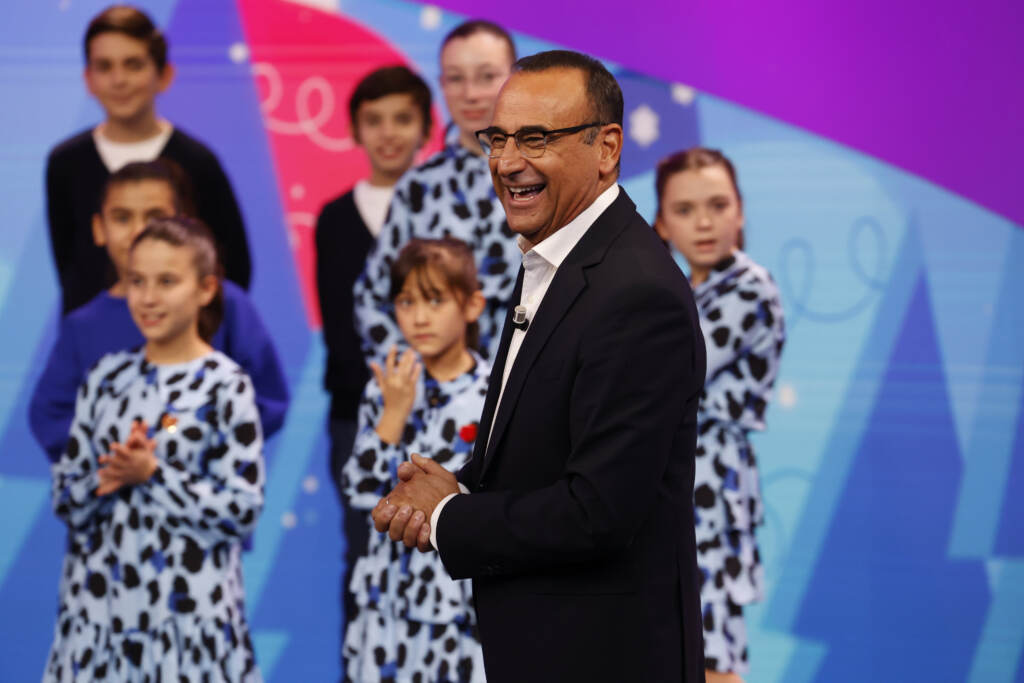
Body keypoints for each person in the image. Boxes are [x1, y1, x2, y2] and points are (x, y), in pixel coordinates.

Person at [372, 50, 707, 682]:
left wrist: (448, 516)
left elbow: (597, 512)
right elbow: (540, 455)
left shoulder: (636, 292)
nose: (506, 162)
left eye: (535, 139)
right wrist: (458, 486)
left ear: (607, 147)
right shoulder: (556, 260)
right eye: (498, 139)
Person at [44, 216, 263, 681]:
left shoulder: (227, 386)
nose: (147, 298)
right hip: (98, 618)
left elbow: (242, 510)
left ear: (205, 289)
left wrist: (153, 474)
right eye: (136, 280)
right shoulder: (105, 378)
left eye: (166, 281)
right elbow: (64, 497)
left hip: (190, 622)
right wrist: (107, 477)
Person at [30, 160, 288, 466]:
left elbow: (266, 400)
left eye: (155, 216)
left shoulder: (224, 301)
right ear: (99, 229)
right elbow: (52, 417)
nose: (138, 231)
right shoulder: (82, 326)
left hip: (203, 485)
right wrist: (119, 451)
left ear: (182, 223)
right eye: (122, 218)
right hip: (112, 488)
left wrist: (179, 439)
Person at [653, 147, 786, 683]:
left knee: (707, 646)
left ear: (741, 211)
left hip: (708, 485)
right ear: (662, 224)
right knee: (676, 642)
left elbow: (669, 371)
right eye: (685, 210)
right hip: (672, 480)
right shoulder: (685, 290)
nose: (704, 222)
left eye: (717, 205)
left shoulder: (750, 287)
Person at [314, 65, 433, 641]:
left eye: (402, 119)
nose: (388, 133)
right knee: (366, 548)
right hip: (357, 416)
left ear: (426, 128)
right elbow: (340, 329)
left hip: (442, 412)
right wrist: (385, 399)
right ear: (355, 130)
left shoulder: (445, 208)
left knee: (442, 548)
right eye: (374, 120)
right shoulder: (336, 218)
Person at [341, 237, 489, 682]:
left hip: (459, 599)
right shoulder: (387, 386)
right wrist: (394, 413)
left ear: (473, 305)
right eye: (406, 302)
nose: (419, 317)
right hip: (388, 596)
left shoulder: (495, 393)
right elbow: (359, 492)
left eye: (435, 299)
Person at [46, 4, 251, 314]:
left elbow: (233, 265)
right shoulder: (66, 164)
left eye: (133, 65)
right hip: (96, 336)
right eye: (104, 66)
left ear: (164, 75)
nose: (119, 80)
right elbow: (69, 265)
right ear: (88, 79)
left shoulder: (198, 162)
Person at [353, 20, 520, 364]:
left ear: (515, 78)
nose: (470, 93)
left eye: (487, 76)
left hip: (535, 385)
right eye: (456, 79)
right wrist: (426, 379)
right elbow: (372, 300)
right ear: (441, 84)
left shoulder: (548, 175)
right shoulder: (419, 187)